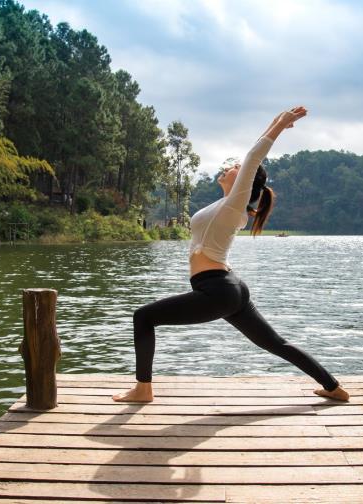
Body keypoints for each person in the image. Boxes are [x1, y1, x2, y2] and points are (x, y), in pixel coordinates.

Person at [113, 106, 350, 403]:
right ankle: (333, 387)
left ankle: (143, 390)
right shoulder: (226, 205)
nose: (229, 166)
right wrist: (274, 123)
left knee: (143, 317)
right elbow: (250, 158)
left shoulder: (235, 205)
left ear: (246, 182)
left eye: (235, 166)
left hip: (218, 289)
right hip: (228, 287)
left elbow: (253, 157)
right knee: (275, 343)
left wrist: (279, 124)